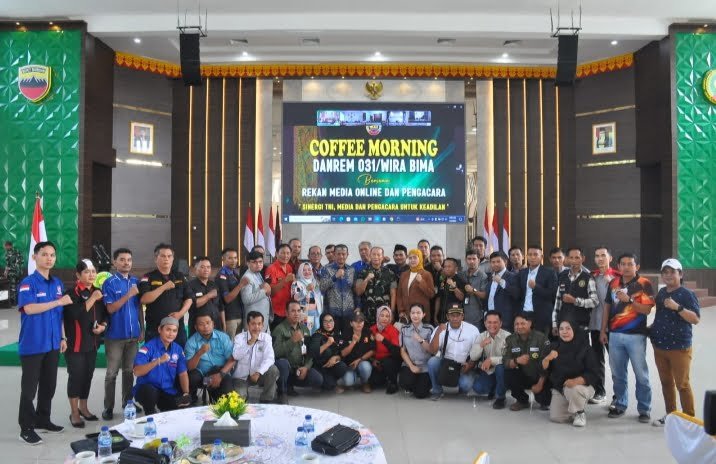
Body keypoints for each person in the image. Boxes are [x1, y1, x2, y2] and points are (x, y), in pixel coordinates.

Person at [17, 241, 71, 444]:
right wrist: (58, 301)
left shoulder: (57, 283)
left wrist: (63, 337)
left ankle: (42, 419)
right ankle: (26, 428)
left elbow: (60, 314)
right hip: (33, 343)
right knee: (29, 389)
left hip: (53, 343)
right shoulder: (28, 283)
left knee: (49, 385)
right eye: (44, 254)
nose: (49, 258)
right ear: (34, 257)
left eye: (52, 255)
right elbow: (29, 308)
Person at [599, 252, 655, 423]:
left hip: (636, 336)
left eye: (630, 264)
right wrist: (603, 330)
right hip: (615, 335)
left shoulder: (644, 283)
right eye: (623, 264)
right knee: (618, 374)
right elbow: (607, 307)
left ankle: (644, 409)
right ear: (618, 266)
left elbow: (647, 310)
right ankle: (620, 404)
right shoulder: (613, 283)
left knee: (641, 374)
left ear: (637, 266)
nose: (626, 267)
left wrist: (629, 300)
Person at [650, 258, 700, 426]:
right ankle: (671, 416)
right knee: (666, 383)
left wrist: (677, 307)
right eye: (665, 272)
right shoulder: (662, 293)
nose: (668, 275)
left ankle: (689, 420)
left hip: (679, 347)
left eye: (672, 272)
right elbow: (660, 316)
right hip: (659, 346)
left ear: (681, 274)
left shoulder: (687, 294)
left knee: (682, 385)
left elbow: (695, 319)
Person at [101, 248, 143, 421]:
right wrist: (129, 294)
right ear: (115, 262)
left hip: (133, 337)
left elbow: (139, 308)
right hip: (114, 337)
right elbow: (110, 308)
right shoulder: (109, 283)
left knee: (128, 372)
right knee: (111, 374)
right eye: (122, 259)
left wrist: (142, 328)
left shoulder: (135, 281)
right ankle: (108, 407)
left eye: (129, 260)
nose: (126, 263)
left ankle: (128, 403)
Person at [64, 259, 107, 428]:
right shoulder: (72, 293)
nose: (91, 275)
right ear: (78, 275)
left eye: (93, 271)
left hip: (92, 343)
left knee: (87, 375)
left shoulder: (98, 291)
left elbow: (105, 314)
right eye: (87, 272)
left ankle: (84, 407)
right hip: (75, 344)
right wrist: (93, 298)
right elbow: (75, 314)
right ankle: (74, 412)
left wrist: (103, 326)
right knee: (76, 377)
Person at [543, 319, 600, 427]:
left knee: (572, 389)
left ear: (575, 330)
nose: (564, 332)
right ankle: (575, 405)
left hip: (583, 386)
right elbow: (543, 370)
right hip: (561, 388)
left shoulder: (585, 348)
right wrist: (547, 359)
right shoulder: (553, 347)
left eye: (568, 328)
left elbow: (594, 373)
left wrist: (576, 381)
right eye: (561, 329)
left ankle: (580, 413)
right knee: (556, 417)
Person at [132, 317, 191, 414]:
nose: (171, 334)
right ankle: (150, 413)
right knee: (150, 392)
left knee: (181, 406)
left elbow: (183, 373)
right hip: (147, 389)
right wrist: (158, 361)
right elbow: (137, 371)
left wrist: (186, 393)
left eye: (174, 331)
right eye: (168, 330)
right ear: (160, 329)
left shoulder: (178, 349)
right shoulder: (148, 347)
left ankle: (163, 406)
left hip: (167, 390)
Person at [139, 243, 193, 347]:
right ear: (156, 259)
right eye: (163, 256)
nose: (166, 259)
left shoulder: (179, 276)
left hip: (177, 328)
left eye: (169, 256)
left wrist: (180, 314)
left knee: (178, 354)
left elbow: (189, 298)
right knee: (155, 355)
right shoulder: (148, 277)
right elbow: (144, 299)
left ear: (173, 259)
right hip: (155, 328)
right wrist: (163, 287)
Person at [427, 304, 480, 401]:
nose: (455, 318)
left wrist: (470, 365)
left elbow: (478, 352)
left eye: (458, 315)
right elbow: (432, 350)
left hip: (463, 365)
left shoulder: (473, 330)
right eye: (452, 315)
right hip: (445, 363)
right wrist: (438, 332)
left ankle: (462, 391)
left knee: (466, 384)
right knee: (432, 362)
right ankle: (437, 391)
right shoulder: (441, 328)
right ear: (447, 316)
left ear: (462, 316)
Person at [273, 301, 323, 403]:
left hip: (298, 369)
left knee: (317, 379)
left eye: (298, 311)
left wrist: (306, 367)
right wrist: (292, 341)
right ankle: (282, 392)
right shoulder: (279, 329)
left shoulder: (305, 329)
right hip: (285, 369)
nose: (296, 314)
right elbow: (275, 353)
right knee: (282, 364)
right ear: (286, 313)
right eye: (293, 311)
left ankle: (290, 385)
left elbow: (310, 352)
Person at [503, 312, 552, 411]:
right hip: (523, 375)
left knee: (545, 401)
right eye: (516, 324)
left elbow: (548, 364)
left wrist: (540, 384)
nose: (519, 326)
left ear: (530, 323)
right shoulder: (510, 339)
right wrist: (516, 361)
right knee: (508, 374)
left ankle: (543, 397)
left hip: (540, 376)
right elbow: (505, 361)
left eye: (522, 323)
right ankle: (522, 401)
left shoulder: (541, 338)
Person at [588, 245, 618, 404]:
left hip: (612, 327)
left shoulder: (618, 278)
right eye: (597, 256)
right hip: (595, 326)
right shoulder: (591, 277)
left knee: (616, 363)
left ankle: (618, 396)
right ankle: (600, 391)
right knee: (597, 360)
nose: (600, 259)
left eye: (603, 255)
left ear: (610, 258)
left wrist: (613, 283)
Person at [184, 311, 235, 403]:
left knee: (227, 398)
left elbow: (232, 359)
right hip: (203, 379)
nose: (206, 326)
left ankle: (220, 402)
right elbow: (189, 367)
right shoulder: (191, 342)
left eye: (208, 323)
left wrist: (220, 375)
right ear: (196, 327)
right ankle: (191, 400)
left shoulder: (223, 337)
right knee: (192, 377)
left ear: (213, 324)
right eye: (201, 324)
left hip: (221, 374)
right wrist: (199, 353)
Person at [232, 311, 280, 403]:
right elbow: (236, 356)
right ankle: (245, 395)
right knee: (239, 400)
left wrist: (258, 372)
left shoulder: (267, 338)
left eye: (259, 324)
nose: (256, 327)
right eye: (253, 324)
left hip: (259, 375)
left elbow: (270, 359)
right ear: (248, 325)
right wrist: (249, 343)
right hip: (241, 378)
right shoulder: (239, 338)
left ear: (262, 325)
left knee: (273, 370)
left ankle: (266, 399)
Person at [468, 311, 510, 409]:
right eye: (489, 322)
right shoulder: (481, 336)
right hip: (489, 371)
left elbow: (509, 359)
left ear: (500, 323)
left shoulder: (508, 337)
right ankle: (495, 388)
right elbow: (473, 357)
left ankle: (501, 398)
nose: (492, 325)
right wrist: (481, 345)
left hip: (504, 370)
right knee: (478, 388)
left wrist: (491, 360)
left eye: (495, 322)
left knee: (500, 368)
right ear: (485, 323)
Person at [552, 247, 598, 334]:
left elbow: (595, 302)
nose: (574, 261)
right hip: (563, 326)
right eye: (571, 258)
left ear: (583, 259)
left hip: (581, 326)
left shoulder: (588, 277)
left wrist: (575, 301)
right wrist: (554, 324)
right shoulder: (562, 276)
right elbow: (557, 303)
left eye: (577, 257)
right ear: (567, 259)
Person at [517, 245, 558, 335]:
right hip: (524, 314)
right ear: (526, 256)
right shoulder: (522, 272)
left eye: (535, 254)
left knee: (540, 342)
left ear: (541, 257)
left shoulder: (549, 272)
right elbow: (519, 294)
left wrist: (536, 287)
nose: (532, 257)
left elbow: (553, 294)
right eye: (530, 255)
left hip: (541, 315)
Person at [398, 303, 434, 398]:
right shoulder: (404, 329)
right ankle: (414, 383)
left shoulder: (429, 329)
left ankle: (423, 384)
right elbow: (402, 350)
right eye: (413, 313)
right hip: (410, 364)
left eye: (418, 313)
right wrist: (411, 366)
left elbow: (432, 350)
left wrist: (421, 340)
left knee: (420, 394)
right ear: (409, 314)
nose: (415, 315)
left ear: (423, 314)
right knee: (404, 382)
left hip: (425, 366)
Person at [320, 244, 356, 334]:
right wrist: (335, 277)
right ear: (334, 255)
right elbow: (322, 288)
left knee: (347, 338)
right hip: (332, 312)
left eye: (343, 254)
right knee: (333, 338)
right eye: (338, 254)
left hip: (349, 311)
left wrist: (358, 306)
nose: (341, 256)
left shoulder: (351, 270)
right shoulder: (326, 269)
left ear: (347, 255)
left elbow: (354, 290)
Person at [355, 247, 396, 326]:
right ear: (370, 256)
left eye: (378, 255)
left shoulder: (390, 273)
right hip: (367, 314)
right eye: (373, 254)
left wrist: (392, 312)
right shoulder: (362, 272)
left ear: (382, 257)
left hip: (384, 315)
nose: (376, 257)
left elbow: (393, 294)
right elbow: (358, 292)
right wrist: (366, 279)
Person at [309, 312, 349, 392]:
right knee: (327, 384)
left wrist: (336, 357)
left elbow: (342, 353)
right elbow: (313, 353)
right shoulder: (317, 335)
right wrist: (327, 344)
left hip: (332, 366)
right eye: (325, 321)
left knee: (342, 366)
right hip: (320, 367)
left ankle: (332, 382)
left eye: (331, 321)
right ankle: (327, 382)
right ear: (321, 322)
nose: (328, 324)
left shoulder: (337, 334)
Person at [339, 311, 376, 392]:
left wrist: (359, 360)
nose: (359, 323)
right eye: (356, 321)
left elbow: (373, 350)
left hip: (362, 362)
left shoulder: (368, 332)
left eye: (361, 321)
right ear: (351, 323)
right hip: (350, 365)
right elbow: (342, 353)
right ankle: (353, 377)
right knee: (348, 381)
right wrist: (353, 342)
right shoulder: (345, 333)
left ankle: (364, 382)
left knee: (366, 367)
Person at [216, 247, 248, 339]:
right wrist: (240, 285)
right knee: (229, 345)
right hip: (229, 317)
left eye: (235, 258)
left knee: (237, 345)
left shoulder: (234, 273)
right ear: (223, 259)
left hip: (239, 315)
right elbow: (227, 299)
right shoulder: (222, 275)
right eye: (230, 258)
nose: (233, 261)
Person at [396, 249, 434, 324]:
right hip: (406, 315)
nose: (412, 260)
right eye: (410, 258)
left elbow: (431, 294)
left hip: (421, 315)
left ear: (420, 258)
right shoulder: (404, 275)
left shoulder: (427, 274)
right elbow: (399, 295)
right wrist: (401, 310)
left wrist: (421, 282)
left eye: (415, 257)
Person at [369, 306, 401, 394]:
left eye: (387, 316)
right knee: (375, 381)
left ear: (390, 318)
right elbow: (366, 348)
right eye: (382, 315)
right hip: (376, 361)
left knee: (388, 362)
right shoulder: (372, 329)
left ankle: (393, 383)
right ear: (378, 316)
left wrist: (383, 340)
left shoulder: (393, 330)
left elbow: (396, 352)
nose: (384, 318)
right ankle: (385, 378)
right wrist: (372, 360)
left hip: (390, 361)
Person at [485, 251, 519, 331]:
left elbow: (516, 294)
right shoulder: (490, 277)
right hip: (490, 320)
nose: (495, 264)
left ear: (505, 262)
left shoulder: (513, 276)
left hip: (506, 321)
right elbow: (489, 297)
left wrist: (501, 282)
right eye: (493, 262)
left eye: (498, 261)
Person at [187, 257, 221, 336]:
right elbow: (193, 304)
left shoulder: (213, 285)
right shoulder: (190, 285)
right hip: (198, 327)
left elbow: (220, 307)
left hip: (216, 325)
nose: (206, 269)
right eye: (202, 267)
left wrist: (223, 324)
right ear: (195, 269)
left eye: (208, 267)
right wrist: (209, 295)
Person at [239, 250, 272, 332]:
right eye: (254, 262)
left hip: (262, 318)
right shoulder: (247, 277)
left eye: (260, 262)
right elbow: (246, 299)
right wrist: (264, 291)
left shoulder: (257, 273)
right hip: (254, 321)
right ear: (248, 263)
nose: (258, 264)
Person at [265, 244, 295, 330]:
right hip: (276, 312)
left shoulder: (289, 267)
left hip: (288, 311)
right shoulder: (271, 269)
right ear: (276, 254)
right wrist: (285, 280)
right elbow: (270, 292)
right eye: (282, 253)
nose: (285, 256)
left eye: (288, 253)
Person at [291, 262, 323, 334]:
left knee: (316, 335)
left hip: (316, 314)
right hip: (305, 315)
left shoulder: (315, 282)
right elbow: (295, 298)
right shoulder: (296, 283)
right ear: (300, 271)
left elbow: (319, 298)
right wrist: (306, 289)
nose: (307, 272)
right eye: (304, 270)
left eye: (309, 269)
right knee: (306, 335)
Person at [460, 250, 488, 330]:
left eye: (474, 259)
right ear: (466, 260)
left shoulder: (483, 276)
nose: (471, 261)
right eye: (469, 259)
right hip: (462, 314)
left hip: (476, 315)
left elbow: (484, 295)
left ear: (478, 260)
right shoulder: (462, 274)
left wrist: (473, 290)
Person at [435, 258, 467, 325]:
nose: (446, 269)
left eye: (449, 266)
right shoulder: (442, 279)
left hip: (455, 317)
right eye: (445, 266)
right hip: (442, 316)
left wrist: (453, 286)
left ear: (456, 268)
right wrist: (435, 315)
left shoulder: (460, 280)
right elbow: (438, 298)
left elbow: (461, 297)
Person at [3, 240, 23, 306]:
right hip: (19, 272)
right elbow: (21, 261)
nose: (4, 247)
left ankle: (13, 302)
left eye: (5, 246)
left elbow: (7, 265)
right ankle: (18, 301)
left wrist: (5, 272)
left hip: (12, 273)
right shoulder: (17, 251)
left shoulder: (8, 253)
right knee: (17, 286)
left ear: (8, 246)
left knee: (12, 287)